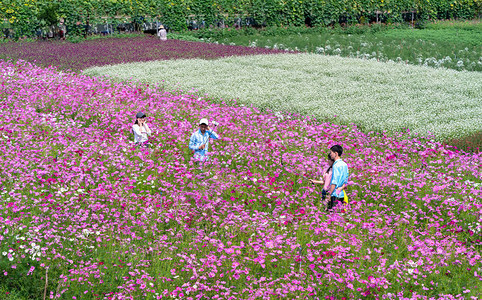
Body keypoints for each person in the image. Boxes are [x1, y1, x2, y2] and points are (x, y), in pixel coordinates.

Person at [327, 145, 349, 210]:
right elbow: (345, 181)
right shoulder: (344, 164)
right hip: (341, 194)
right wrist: (341, 188)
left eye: (331, 153)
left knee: (331, 215)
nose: (330, 155)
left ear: (336, 153)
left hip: (334, 194)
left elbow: (334, 182)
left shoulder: (336, 165)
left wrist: (329, 194)